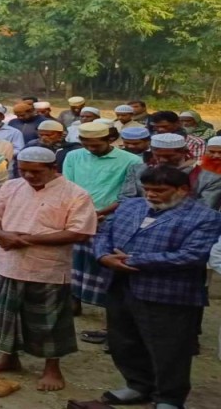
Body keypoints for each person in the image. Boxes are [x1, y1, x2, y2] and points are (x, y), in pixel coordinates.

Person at [80, 166, 221, 409]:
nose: (152, 195)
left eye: (159, 190)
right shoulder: (131, 206)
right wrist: (103, 256)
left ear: (183, 190)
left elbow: (192, 255)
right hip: (121, 286)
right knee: (123, 340)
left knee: (169, 348)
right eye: (147, 189)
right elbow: (103, 233)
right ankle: (137, 385)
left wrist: (131, 261)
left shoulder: (204, 217)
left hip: (168, 293)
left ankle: (169, 398)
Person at [0, 146, 97, 392]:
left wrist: (27, 240)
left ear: (53, 169)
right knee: (7, 316)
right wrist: (1, 233)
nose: (29, 176)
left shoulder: (76, 194)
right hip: (8, 263)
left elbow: (79, 232)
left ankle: (51, 368)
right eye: (24, 170)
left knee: (49, 321)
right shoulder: (12, 187)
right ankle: (8, 357)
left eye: (36, 171)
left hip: (48, 269)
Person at [64, 121, 144, 313]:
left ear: (109, 139)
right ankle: (73, 300)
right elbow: (67, 188)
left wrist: (101, 213)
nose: (91, 149)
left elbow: (129, 194)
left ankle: (108, 308)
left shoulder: (131, 160)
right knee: (73, 261)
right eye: (86, 144)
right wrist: (80, 213)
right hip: (77, 216)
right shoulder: (73, 156)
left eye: (96, 145)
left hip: (111, 219)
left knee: (103, 262)